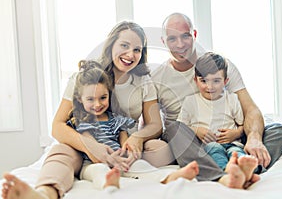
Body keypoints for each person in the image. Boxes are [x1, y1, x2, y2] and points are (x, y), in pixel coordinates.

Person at [1, 21, 173, 199]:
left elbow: (155, 125)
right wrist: (91, 147)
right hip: (83, 146)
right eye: (124, 45)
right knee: (61, 152)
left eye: (137, 49)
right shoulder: (84, 78)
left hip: (125, 147)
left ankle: (165, 176)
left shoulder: (144, 81)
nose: (130, 54)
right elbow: (58, 126)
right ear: (111, 45)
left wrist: (138, 137)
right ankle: (45, 193)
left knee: (160, 148)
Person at [151, 12, 282, 188]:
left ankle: (244, 166)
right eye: (172, 39)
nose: (180, 44)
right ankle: (222, 175)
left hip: (232, 141)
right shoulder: (157, 77)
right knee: (173, 129)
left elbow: (250, 110)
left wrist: (253, 138)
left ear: (194, 35)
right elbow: (153, 124)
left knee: (280, 130)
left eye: (185, 36)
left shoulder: (220, 65)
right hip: (194, 145)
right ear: (164, 42)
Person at [68, 60, 198, 190]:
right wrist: (108, 159)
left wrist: (127, 156)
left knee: (141, 166)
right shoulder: (82, 121)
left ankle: (168, 177)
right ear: (80, 99)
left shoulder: (116, 120)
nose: (97, 104)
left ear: (109, 94)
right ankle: (108, 183)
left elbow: (125, 141)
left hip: (120, 160)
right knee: (99, 171)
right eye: (90, 99)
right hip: (92, 162)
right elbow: (91, 145)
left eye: (103, 98)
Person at [177, 51, 253, 171]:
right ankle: (226, 172)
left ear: (225, 81)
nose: (210, 87)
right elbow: (180, 127)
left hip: (233, 143)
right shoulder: (190, 102)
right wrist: (196, 130)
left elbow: (243, 124)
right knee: (215, 150)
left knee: (236, 152)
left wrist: (237, 133)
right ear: (196, 81)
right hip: (209, 146)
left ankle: (246, 168)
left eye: (216, 81)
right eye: (204, 81)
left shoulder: (232, 99)